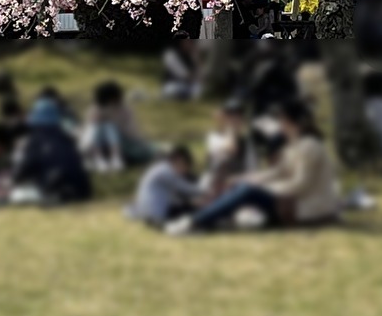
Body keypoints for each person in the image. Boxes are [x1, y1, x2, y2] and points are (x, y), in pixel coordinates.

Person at [169, 99, 338, 235]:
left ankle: (194, 222)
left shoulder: (310, 146)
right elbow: (276, 172)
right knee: (243, 187)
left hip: (308, 210)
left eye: (280, 119)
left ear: (288, 122)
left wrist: (265, 188)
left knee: (248, 191)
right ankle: (200, 220)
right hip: (293, 204)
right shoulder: (294, 146)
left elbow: (301, 185)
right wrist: (243, 178)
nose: (278, 124)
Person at [13, 97, 92, 204]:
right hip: (82, 190)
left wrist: (13, 179)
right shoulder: (66, 138)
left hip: (54, 187)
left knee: (18, 195)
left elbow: (26, 167)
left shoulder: (36, 140)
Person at [81, 81, 154, 172]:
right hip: (98, 144)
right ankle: (100, 158)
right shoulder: (95, 109)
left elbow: (132, 132)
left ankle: (114, 157)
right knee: (97, 126)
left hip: (121, 142)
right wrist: (96, 121)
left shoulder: (125, 109)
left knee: (109, 126)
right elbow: (87, 132)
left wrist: (114, 122)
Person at [128, 145, 201, 226]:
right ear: (180, 161)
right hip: (155, 215)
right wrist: (206, 190)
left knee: (187, 207)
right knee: (191, 211)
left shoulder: (161, 168)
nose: (185, 173)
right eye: (186, 167)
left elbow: (174, 197)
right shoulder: (166, 172)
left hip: (148, 212)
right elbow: (186, 188)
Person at [204, 99, 253, 196]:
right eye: (230, 115)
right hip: (216, 189)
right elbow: (231, 150)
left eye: (239, 115)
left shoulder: (247, 143)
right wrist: (230, 129)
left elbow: (251, 171)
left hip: (238, 189)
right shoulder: (213, 137)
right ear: (224, 117)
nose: (235, 119)